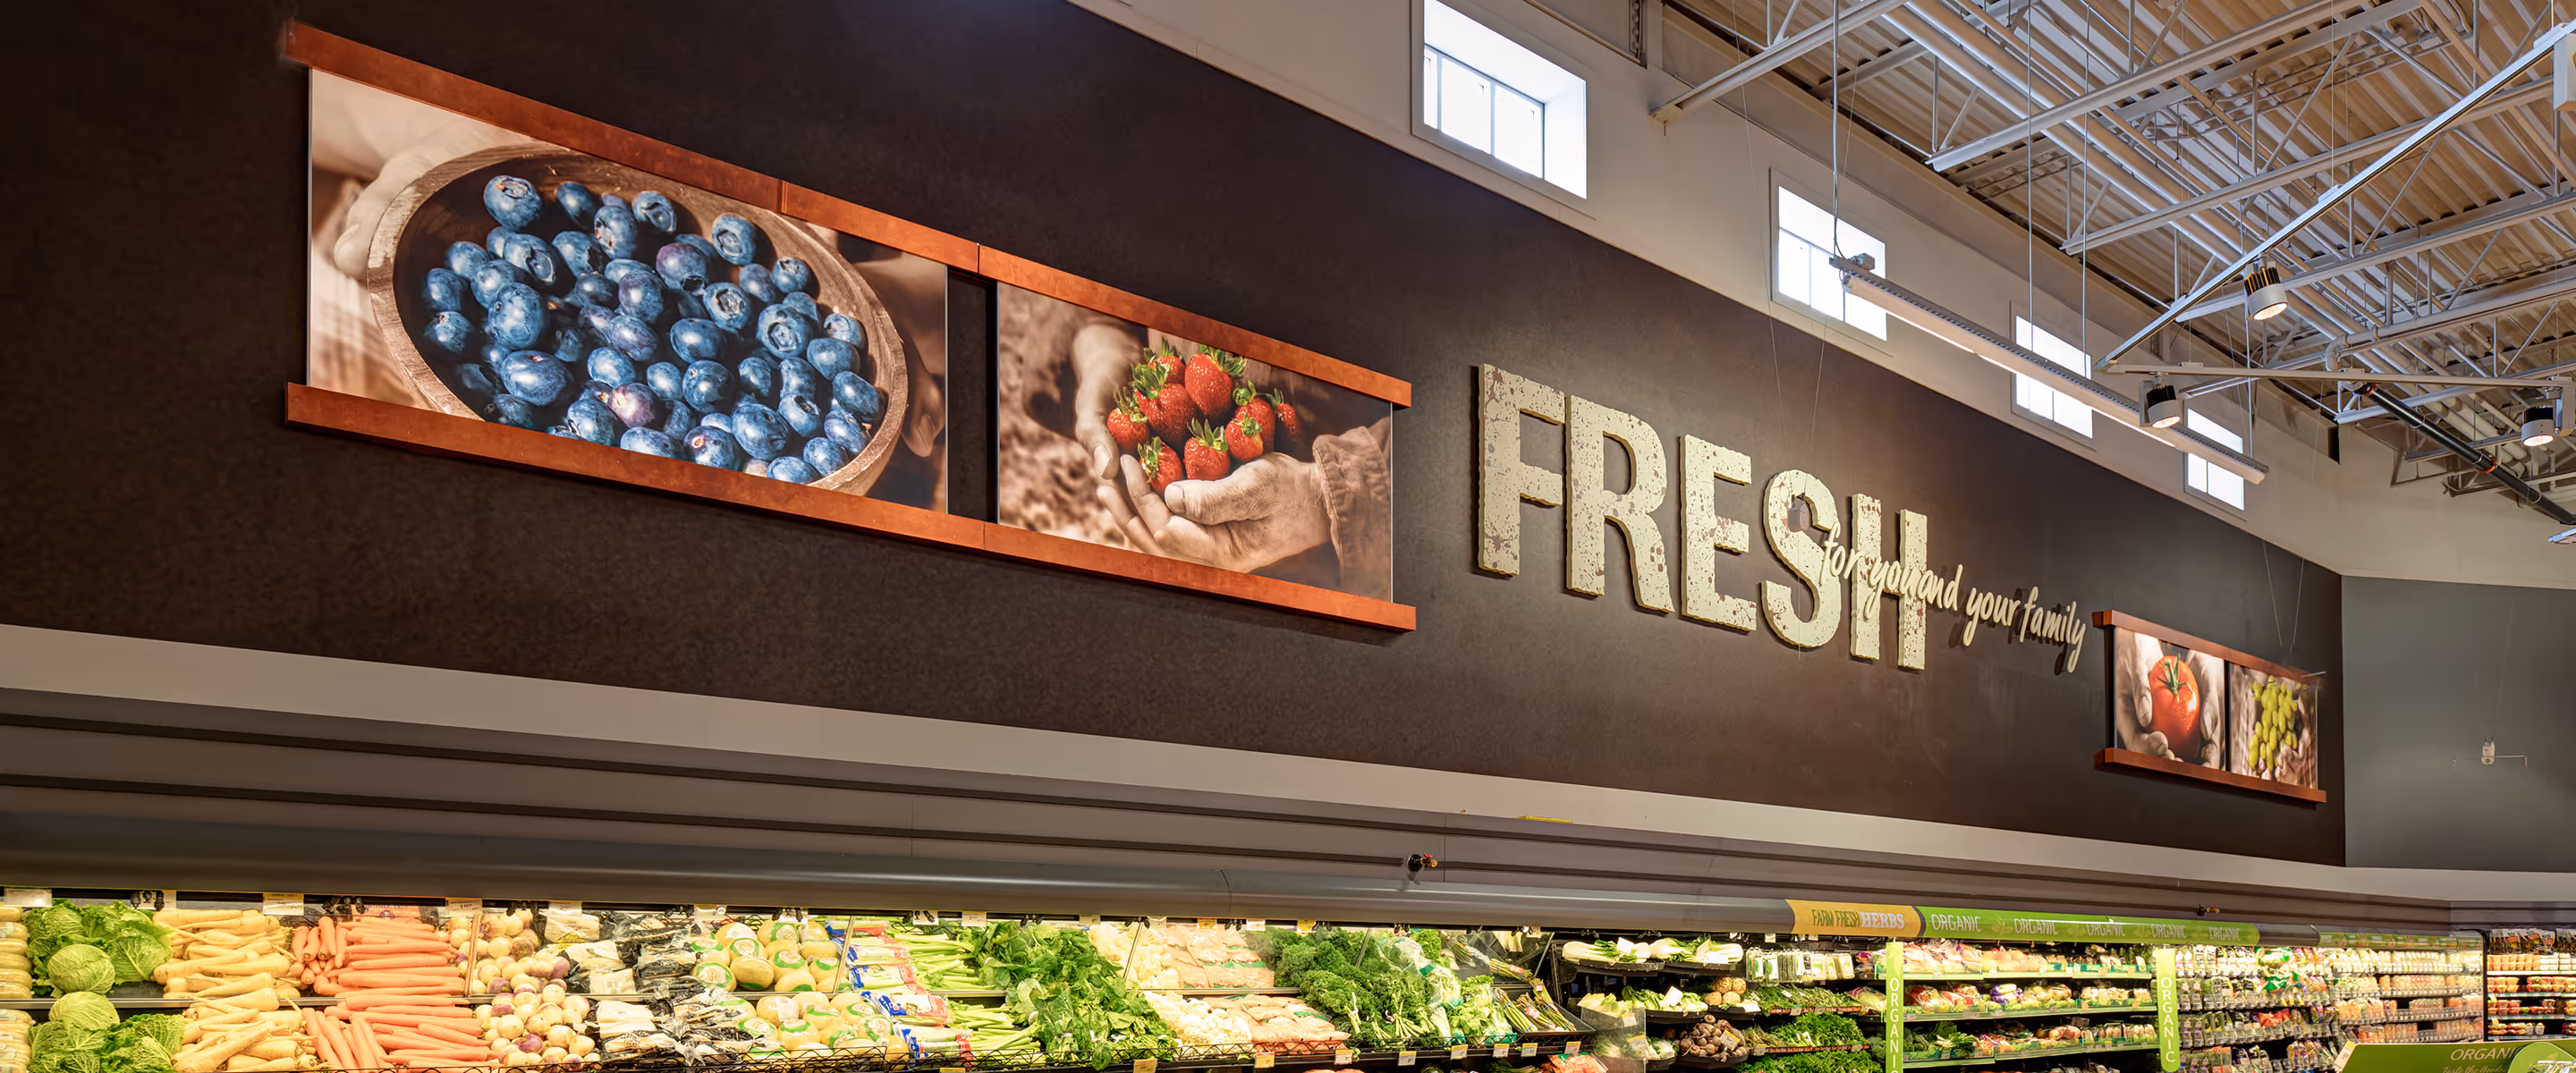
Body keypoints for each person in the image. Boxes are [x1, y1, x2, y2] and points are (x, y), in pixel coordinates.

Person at [1051, 316, 1394, 601]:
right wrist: (1104, 350)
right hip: (1163, 540)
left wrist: (1325, 490)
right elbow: (1099, 283)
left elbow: (1433, 440)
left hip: (1335, 572)